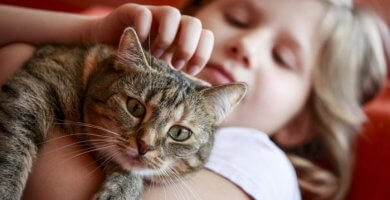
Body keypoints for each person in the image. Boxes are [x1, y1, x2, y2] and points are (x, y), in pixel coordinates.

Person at [0, 0, 388, 199]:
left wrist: (17, 61)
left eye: (282, 58)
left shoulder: (261, 161)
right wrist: (88, 30)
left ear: (298, 123)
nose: (246, 47)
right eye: (237, 19)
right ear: (193, 15)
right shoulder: (108, 63)